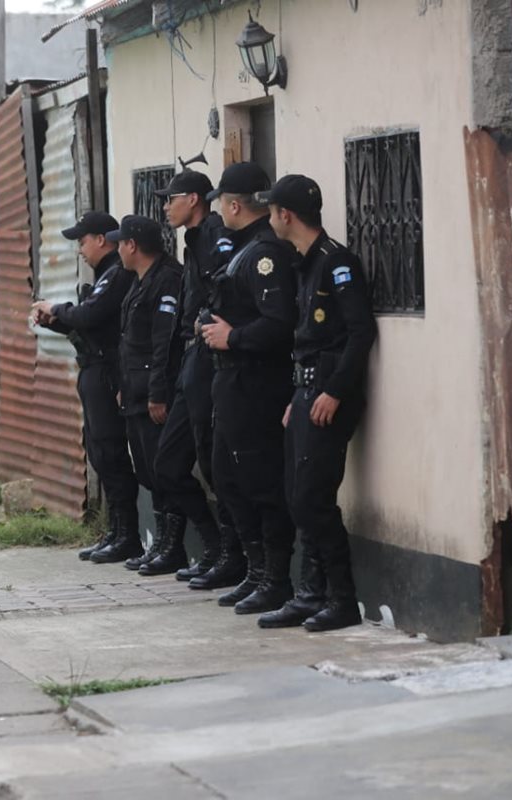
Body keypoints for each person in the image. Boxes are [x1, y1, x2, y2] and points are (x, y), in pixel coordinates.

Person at [256, 174, 377, 631]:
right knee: (296, 495)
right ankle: (309, 594)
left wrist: (333, 391)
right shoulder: (302, 262)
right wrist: (297, 395)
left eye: (271, 211)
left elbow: (359, 333)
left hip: (329, 396)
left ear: (285, 215)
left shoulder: (335, 262)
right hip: (306, 393)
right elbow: (304, 343)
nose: (269, 219)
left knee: (313, 499)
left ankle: (341, 600)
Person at [200, 162, 299, 616]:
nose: (218, 208)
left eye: (221, 200)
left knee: (259, 481)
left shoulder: (265, 253)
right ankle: (255, 571)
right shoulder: (242, 248)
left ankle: (275, 579)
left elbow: (279, 323)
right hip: (231, 380)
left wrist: (232, 337)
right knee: (227, 476)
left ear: (234, 204)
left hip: (256, 381)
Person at [150, 170, 246, 589]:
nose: (166, 207)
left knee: (214, 461)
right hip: (190, 360)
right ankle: (213, 545)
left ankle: (233, 555)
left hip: (211, 356)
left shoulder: (213, 232)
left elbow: (224, 288)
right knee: (168, 464)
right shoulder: (193, 241)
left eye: (171, 199)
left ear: (193, 199)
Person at [31, 211, 140, 563]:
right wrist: (56, 321)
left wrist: (56, 308)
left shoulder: (116, 274)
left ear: (101, 240)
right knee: (98, 452)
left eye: (82, 241)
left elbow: (91, 315)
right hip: (93, 368)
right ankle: (116, 531)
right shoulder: (106, 274)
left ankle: (128, 536)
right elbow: (88, 322)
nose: (79, 249)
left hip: (108, 373)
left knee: (110, 452)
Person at [103, 215, 186, 573]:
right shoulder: (139, 281)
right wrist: (125, 386)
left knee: (163, 470)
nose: (117, 249)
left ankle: (174, 547)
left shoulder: (166, 279)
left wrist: (156, 393)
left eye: (120, 242)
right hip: (136, 392)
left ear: (132, 246)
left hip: (154, 394)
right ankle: (163, 545)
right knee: (149, 473)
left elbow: (162, 343)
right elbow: (130, 344)